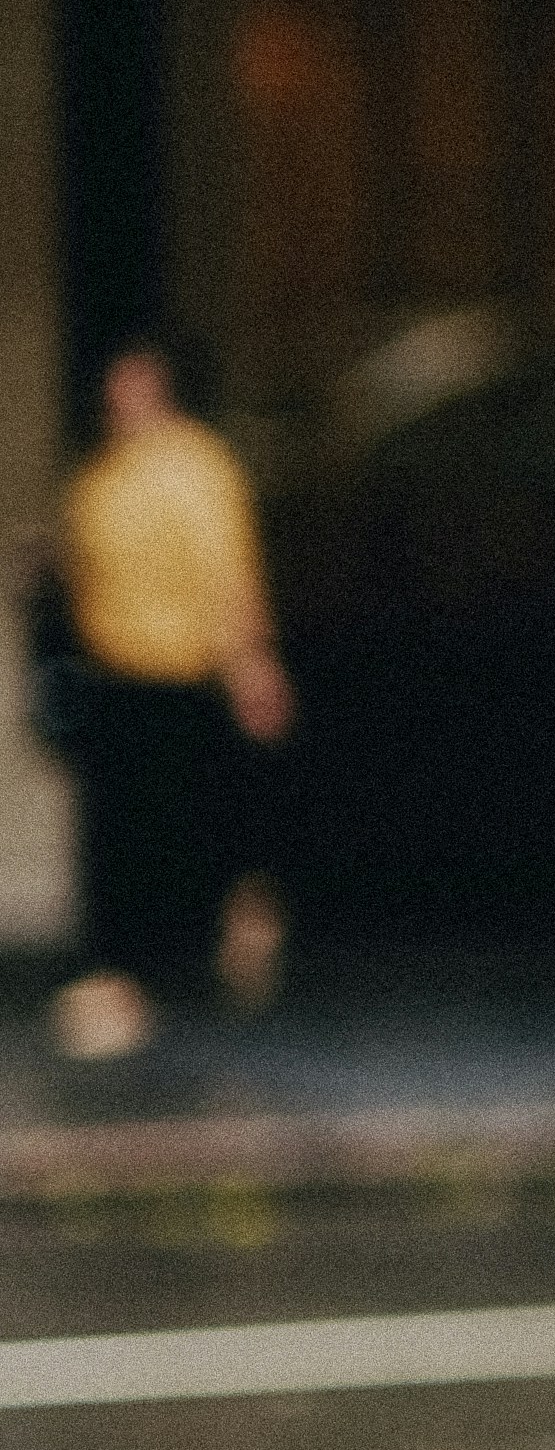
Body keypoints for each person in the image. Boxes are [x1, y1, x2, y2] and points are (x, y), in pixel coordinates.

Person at [47, 338, 295, 1059]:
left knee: (189, 818)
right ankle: (123, 977)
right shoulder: (99, 477)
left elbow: (231, 572)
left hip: (185, 676)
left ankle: (225, 926)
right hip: (117, 676)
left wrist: (251, 664)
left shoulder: (198, 468)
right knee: (118, 828)